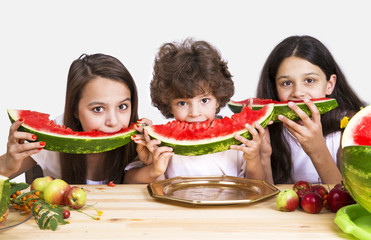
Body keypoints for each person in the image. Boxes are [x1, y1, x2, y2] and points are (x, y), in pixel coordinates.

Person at [124, 38, 268, 183]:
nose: (194, 112)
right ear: (168, 105)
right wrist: (154, 168)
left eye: (204, 100)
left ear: (218, 99)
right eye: (182, 103)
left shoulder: (239, 140)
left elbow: (259, 187)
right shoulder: (159, 144)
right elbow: (128, 181)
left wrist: (253, 158)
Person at [0, 53, 150, 184]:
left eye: (122, 106)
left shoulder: (141, 143)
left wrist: (153, 167)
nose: (114, 121)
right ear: (75, 111)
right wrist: (7, 166)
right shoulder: (52, 139)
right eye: (98, 109)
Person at [256, 35, 365, 184]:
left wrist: (317, 149)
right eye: (286, 83)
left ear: (329, 84)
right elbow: (265, 200)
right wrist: (263, 156)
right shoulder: (269, 131)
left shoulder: (348, 128)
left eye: (309, 80)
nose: (298, 92)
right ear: (275, 88)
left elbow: (349, 199)